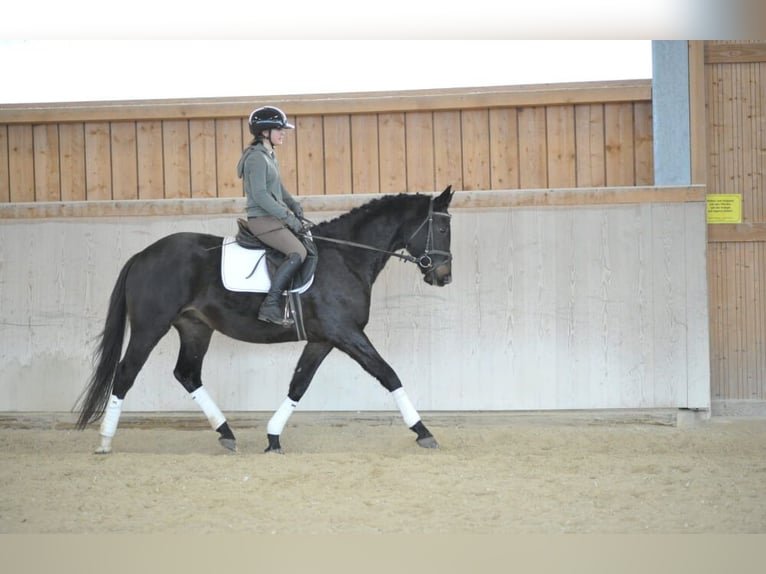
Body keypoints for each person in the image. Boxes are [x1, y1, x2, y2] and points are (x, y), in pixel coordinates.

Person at [237, 106, 307, 326]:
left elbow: (277, 187)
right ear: (265, 132)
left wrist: (293, 204)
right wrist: (288, 217)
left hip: (272, 218)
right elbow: (260, 196)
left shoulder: (269, 155)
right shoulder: (256, 159)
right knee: (298, 252)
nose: (283, 133)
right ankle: (270, 305)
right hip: (262, 220)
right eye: (279, 129)